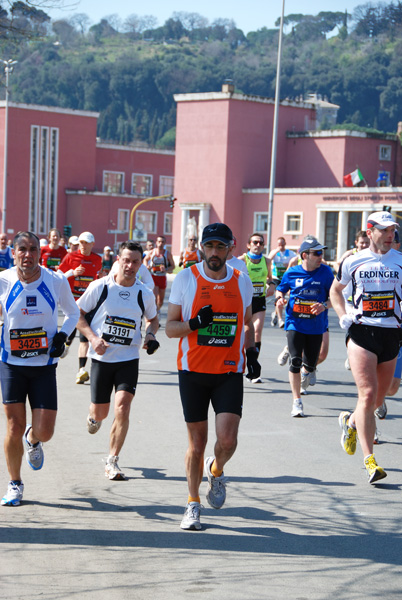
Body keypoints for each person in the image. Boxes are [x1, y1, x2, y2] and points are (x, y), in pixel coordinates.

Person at [166, 222, 259, 531]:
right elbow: (170, 328)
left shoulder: (241, 281)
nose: (214, 253)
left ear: (230, 249)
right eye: (210, 246)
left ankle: (216, 470)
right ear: (201, 248)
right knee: (197, 442)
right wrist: (194, 323)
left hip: (228, 371)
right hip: (192, 371)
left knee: (228, 440)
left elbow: (245, 323)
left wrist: (253, 352)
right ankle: (193, 504)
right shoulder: (185, 279)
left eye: (221, 247)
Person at [0, 231, 79, 506]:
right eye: (22, 249)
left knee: (45, 431)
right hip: (11, 363)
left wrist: (62, 336)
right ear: (14, 253)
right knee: (12, 425)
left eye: (33, 249)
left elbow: (73, 313)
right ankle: (14, 484)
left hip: (44, 364)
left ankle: (33, 440)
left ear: (39, 252)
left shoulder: (55, 281)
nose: (28, 254)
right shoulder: (4, 280)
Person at [76, 241, 159, 480]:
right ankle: (93, 416)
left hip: (128, 359)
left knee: (122, 407)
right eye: (126, 260)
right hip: (102, 359)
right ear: (118, 260)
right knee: (100, 413)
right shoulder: (100, 287)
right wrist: (92, 338)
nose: (130, 266)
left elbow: (153, 320)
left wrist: (151, 334)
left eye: (135, 261)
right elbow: (77, 314)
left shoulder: (144, 292)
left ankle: (112, 460)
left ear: (140, 264)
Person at [330, 211, 402, 484]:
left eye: (392, 230)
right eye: (383, 230)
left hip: (391, 335)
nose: (389, 235)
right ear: (369, 231)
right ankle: (370, 461)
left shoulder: (400, 262)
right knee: (368, 393)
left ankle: (350, 422)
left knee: (377, 401)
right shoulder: (353, 261)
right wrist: (341, 315)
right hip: (362, 332)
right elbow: (335, 291)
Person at [275, 238, 333, 417]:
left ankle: (309, 370)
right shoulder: (291, 273)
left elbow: (335, 297)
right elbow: (280, 289)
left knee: (309, 365)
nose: (320, 256)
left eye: (321, 252)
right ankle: (296, 401)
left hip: (316, 326)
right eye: (316, 253)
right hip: (295, 323)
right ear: (304, 256)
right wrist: (280, 299)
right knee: (295, 362)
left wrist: (324, 305)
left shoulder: (326, 272)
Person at [58, 232, 102, 383]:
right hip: (72, 300)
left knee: (85, 338)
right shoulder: (70, 257)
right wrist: (72, 272)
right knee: (71, 330)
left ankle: (81, 370)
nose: (83, 245)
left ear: (92, 244)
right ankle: (67, 343)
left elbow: (99, 277)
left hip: (89, 302)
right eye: (81, 242)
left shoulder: (97, 259)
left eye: (86, 243)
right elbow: (58, 276)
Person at [239, 233, 275, 381]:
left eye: (260, 243)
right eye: (255, 242)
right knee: (241, 332)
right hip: (243, 301)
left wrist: (271, 285)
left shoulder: (266, 261)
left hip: (259, 300)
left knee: (257, 330)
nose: (258, 245)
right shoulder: (242, 260)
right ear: (248, 245)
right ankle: (239, 361)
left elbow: (269, 278)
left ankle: (253, 365)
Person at [268, 237, 296, 328]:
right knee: (279, 298)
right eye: (279, 245)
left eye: (282, 244)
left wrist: (289, 265)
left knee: (285, 298)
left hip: (287, 279)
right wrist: (276, 251)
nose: (281, 246)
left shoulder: (290, 253)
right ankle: (280, 320)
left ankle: (275, 313)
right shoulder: (275, 253)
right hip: (277, 278)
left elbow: (296, 262)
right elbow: (268, 259)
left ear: (285, 243)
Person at [143, 235, 175, 315]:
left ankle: (157, 310)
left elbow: (173, 266)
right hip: (153, 277)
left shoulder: (167, 254)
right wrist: (147, 266)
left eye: (162, 242)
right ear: (156, 243)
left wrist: (166, 269)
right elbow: (145, 260)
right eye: (159, 241)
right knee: (154, 298)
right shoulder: (152, 252)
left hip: (162, 277)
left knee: (160, 301)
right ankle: (154, 314)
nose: (160, 243)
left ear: (165, 243)